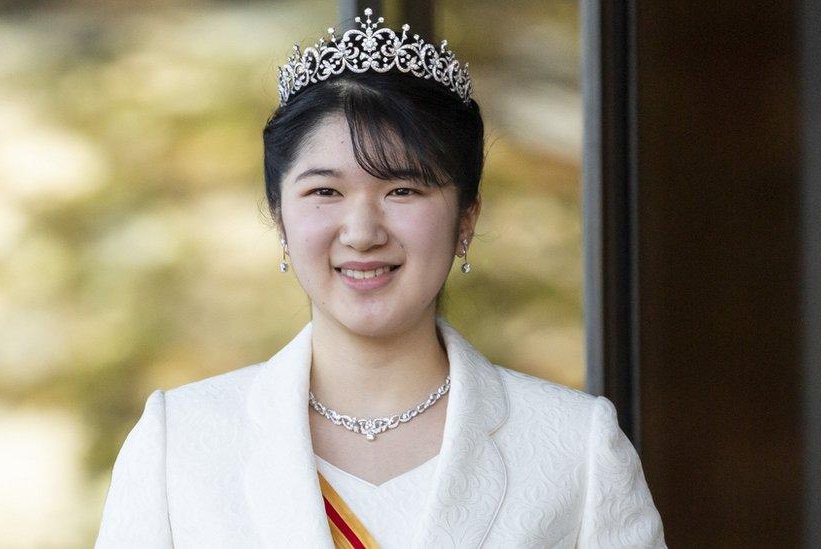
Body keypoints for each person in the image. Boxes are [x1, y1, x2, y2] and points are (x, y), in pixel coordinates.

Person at [94, 8, 666, 548]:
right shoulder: (182, 442)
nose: (362, 231)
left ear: (467, 218)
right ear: (279, 219)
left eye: (403, 190)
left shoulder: (574, 446)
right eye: (325, 191)